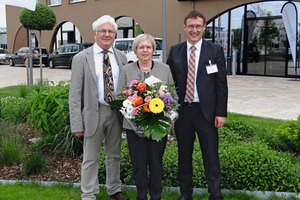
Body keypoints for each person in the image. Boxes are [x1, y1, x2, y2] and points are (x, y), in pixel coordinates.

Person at [167, 10, 228, 200]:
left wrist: (221, 113)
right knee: (184, 156)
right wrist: (169, 114)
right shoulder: (175, 51)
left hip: (207, 114)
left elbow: (221, 84)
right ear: (185, 28)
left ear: (204, 27)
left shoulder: (214, 50)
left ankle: (215, 194)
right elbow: (169, 85)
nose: (194, 30)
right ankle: (185, 194)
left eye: (198, 26)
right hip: (183, 113)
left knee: (211, 157)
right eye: (191, 26)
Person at [69, 15, 129, 200]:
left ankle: (114, 189)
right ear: (95, 34)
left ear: (114, 35)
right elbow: (75, 93)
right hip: (93, 113)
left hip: (116, 112)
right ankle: (88, 193)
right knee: (91, 157)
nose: (107, 34)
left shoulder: (121, 57)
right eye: (103, 31)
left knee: (114, 155)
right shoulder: (81, 58)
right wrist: (77, 124)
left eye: (110, 31)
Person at [117, 34, 177, 200]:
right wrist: (132, 105)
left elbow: (173, 96)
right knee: (139, 165)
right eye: (141, 47)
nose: (145, 50)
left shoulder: (164, 69)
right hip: (133, 128)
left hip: (158, 125)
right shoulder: (126, 70)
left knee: (156, 164)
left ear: (153, 49)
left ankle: (156, 196)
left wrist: (170, 116)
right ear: (135, 50)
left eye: (148, 47)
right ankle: (142, 195)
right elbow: (120, 96)